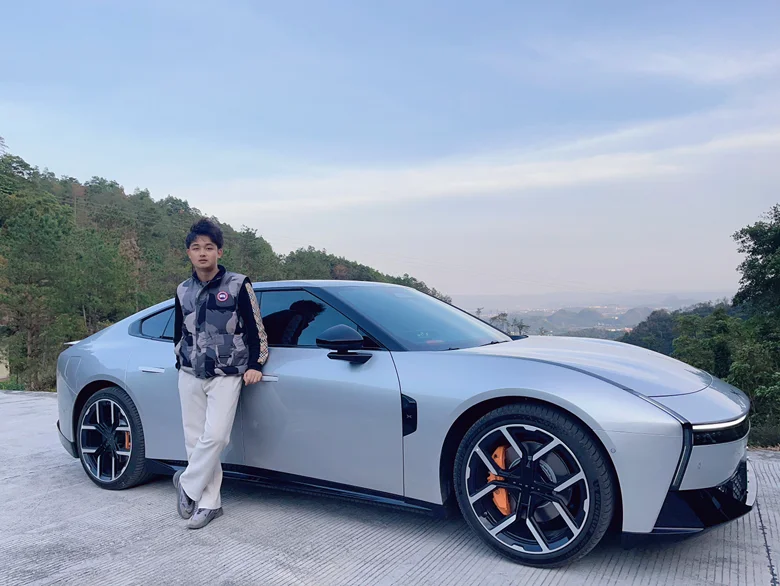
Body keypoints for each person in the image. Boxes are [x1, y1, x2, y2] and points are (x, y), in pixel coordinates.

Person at [172, 217, 269, 529]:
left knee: (216, 436)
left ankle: (187, 484)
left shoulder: (238, 285)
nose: (203, 253)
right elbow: (179, 331)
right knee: (194, 439)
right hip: (190, 372)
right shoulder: (183, 290)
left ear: (219, 252)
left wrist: (255, 364)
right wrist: (180, 359)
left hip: (227, 373)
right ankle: (209, 503)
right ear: (188, 253)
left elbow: (256, 329)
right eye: (196, 248)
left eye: (209, 247)